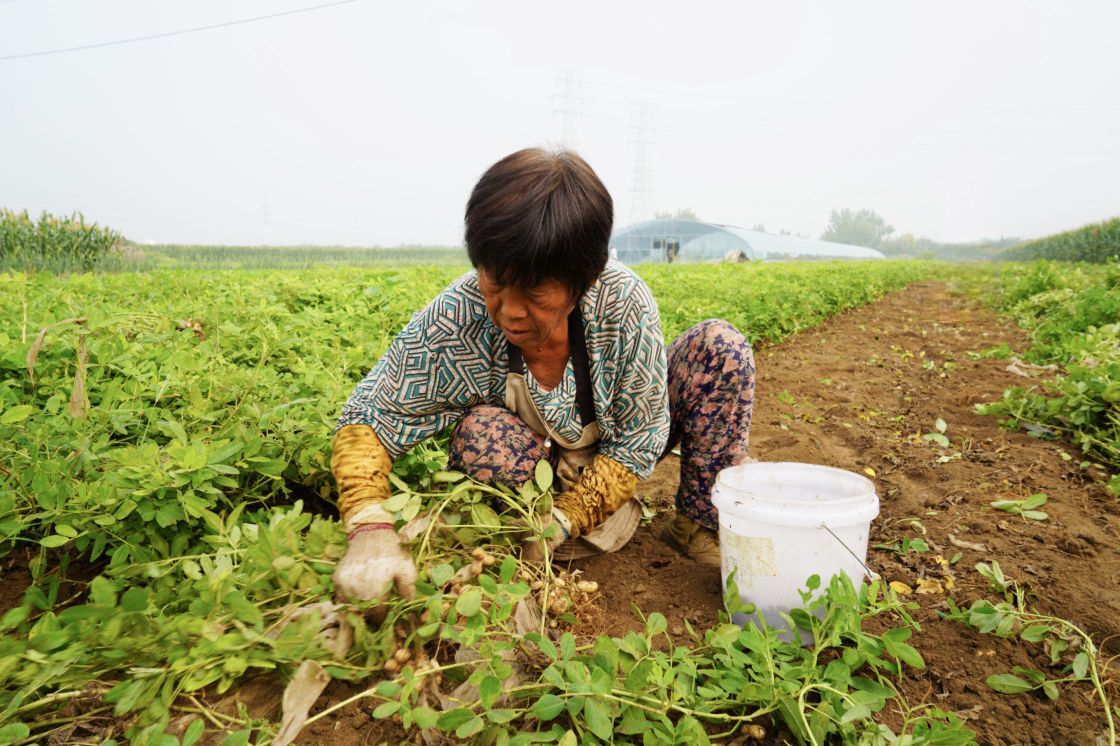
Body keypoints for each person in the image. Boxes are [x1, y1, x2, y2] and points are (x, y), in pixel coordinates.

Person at [330, 148, 755, 604]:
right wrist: (369, 524)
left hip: (612, 457)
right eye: (494, 279)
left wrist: (571, 515)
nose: (510, 311)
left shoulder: (621, 304)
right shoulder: (460, 313)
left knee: (720, 349)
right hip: (532, 480)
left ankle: (695, 524)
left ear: (584, 279)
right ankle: (522, 540)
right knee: (481, 434)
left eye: (535, 289)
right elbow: (371, 413)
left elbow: (638, 439)